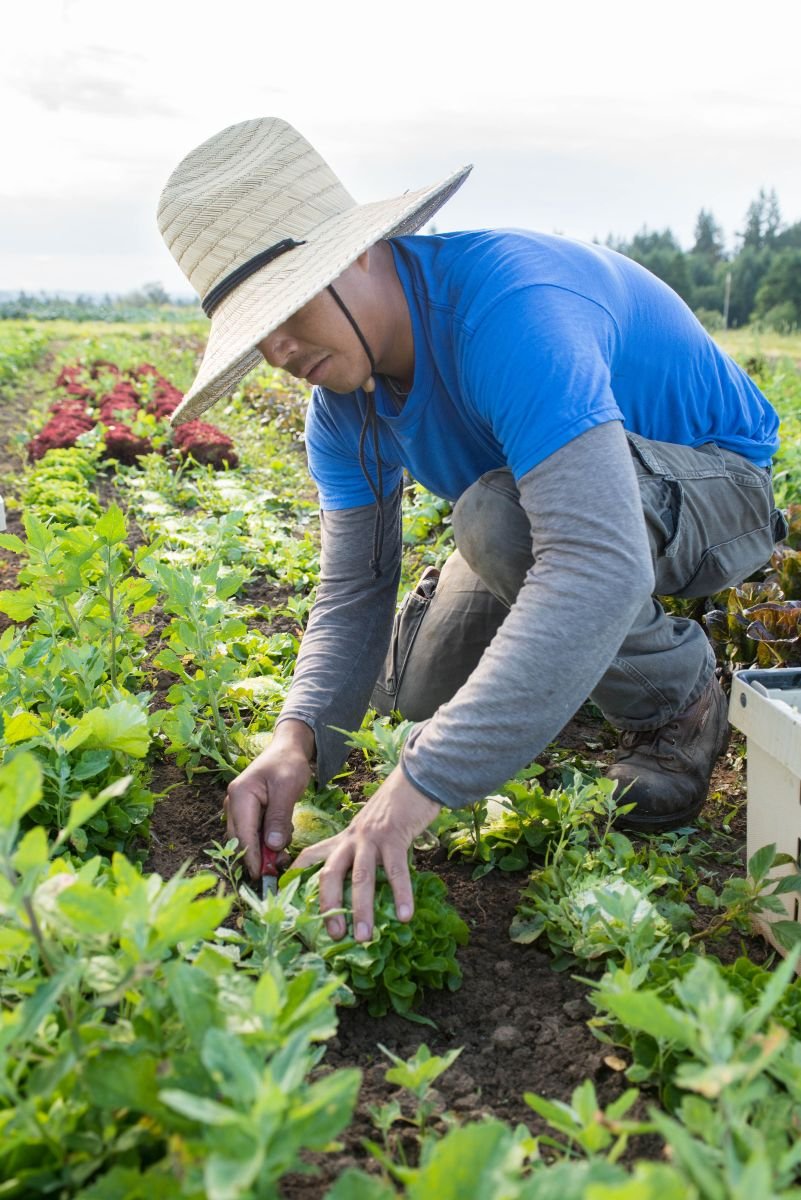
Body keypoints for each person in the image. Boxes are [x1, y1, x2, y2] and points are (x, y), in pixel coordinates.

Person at [158, 117, 785, 947]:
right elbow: (352, 589)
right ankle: (563, 661)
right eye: (251, 334)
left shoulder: (508, 307)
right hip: (547, 509)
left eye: (284, 307)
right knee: (414, 698)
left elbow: (594, 559)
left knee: (496, 519)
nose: (275, 349)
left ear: (358, 252)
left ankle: (679, 699)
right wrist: (296, 740)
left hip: (712, 488)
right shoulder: (340, 410)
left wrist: (413, 791)